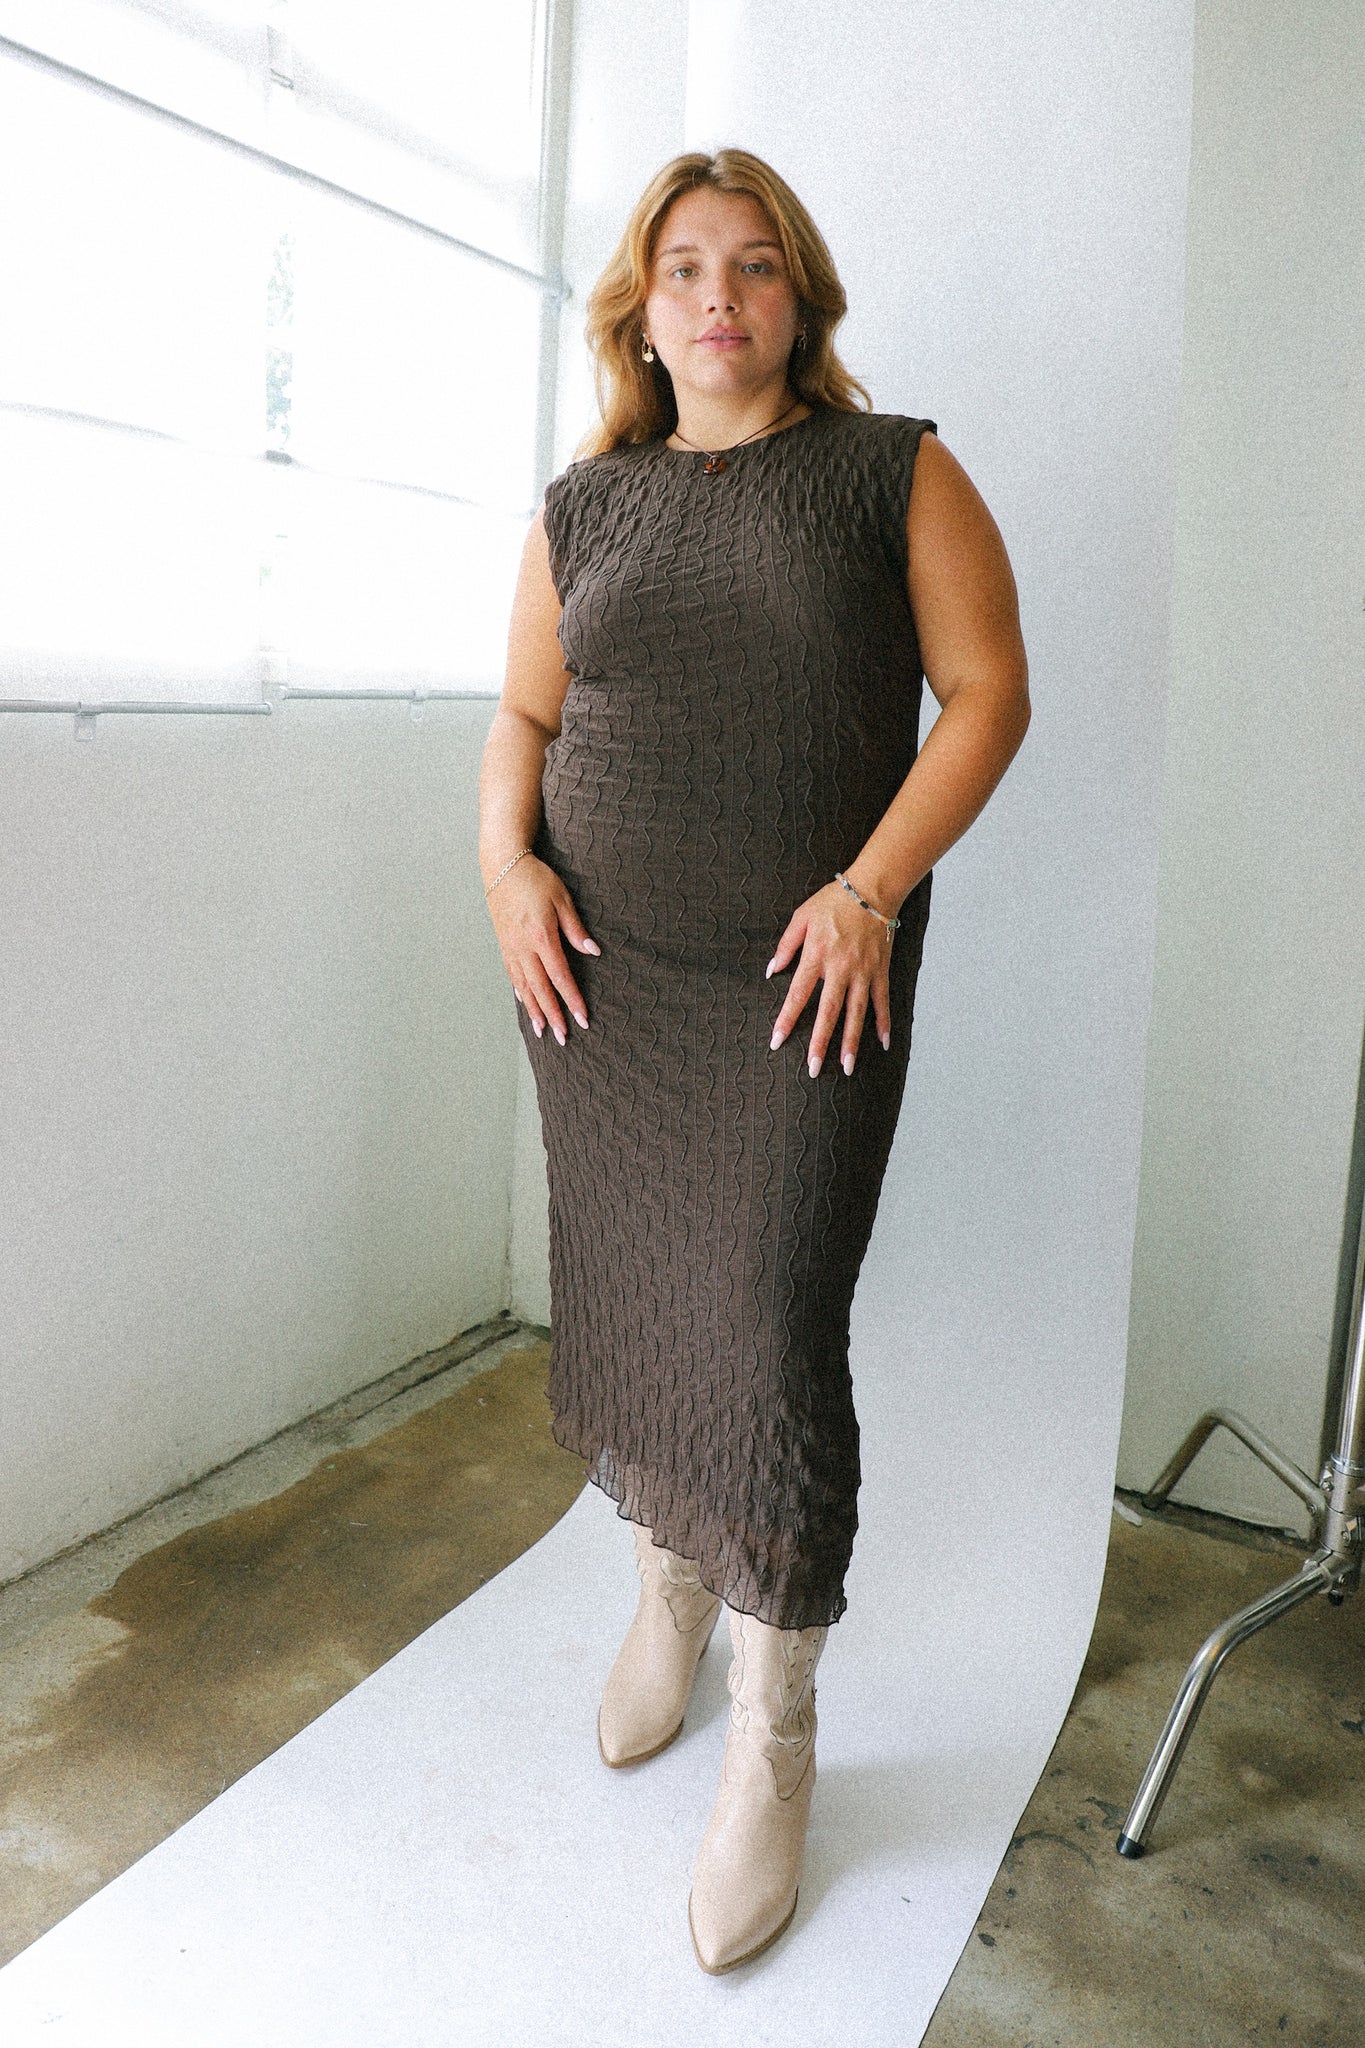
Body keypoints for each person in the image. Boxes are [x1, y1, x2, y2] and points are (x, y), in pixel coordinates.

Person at [478, 147, 1029, 1974]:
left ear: (801, 299)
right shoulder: (585, 504)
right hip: (601, 986)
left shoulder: (890, 472)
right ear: (640, 311)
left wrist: (873, 889)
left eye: (757, 264)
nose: (719, 295)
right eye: (685, 267)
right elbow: (526, 711)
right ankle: (670, 1587)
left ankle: (773, 1732)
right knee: (643, 1292)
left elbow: (988, 695)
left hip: (806, 981)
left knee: (770, 1321)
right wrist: (504, 869)